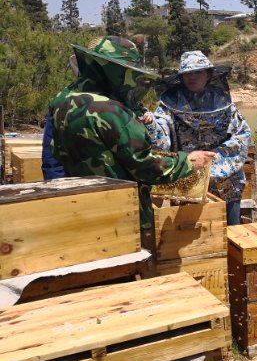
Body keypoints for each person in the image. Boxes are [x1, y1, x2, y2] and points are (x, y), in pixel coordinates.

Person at [48, 36, 216, 231]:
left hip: (81, 207)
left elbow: (56, 151)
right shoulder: (110, 111)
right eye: (127, 71)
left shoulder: (62, 99)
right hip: (120, 215)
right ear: (113, 70)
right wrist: (187, 162)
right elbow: (146, 166)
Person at [147, 51, 251, 226]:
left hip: (226, 184)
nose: (192, 77)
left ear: (209, 75)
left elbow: (241, 137)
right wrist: (150, 125)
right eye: (187, 73)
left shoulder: (224, 103)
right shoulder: (169, 104)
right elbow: (161, 141)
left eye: (198, 72)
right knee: (192, 243)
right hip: (188, 181)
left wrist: (211, 161)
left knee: (230, 238)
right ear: (181, 76)